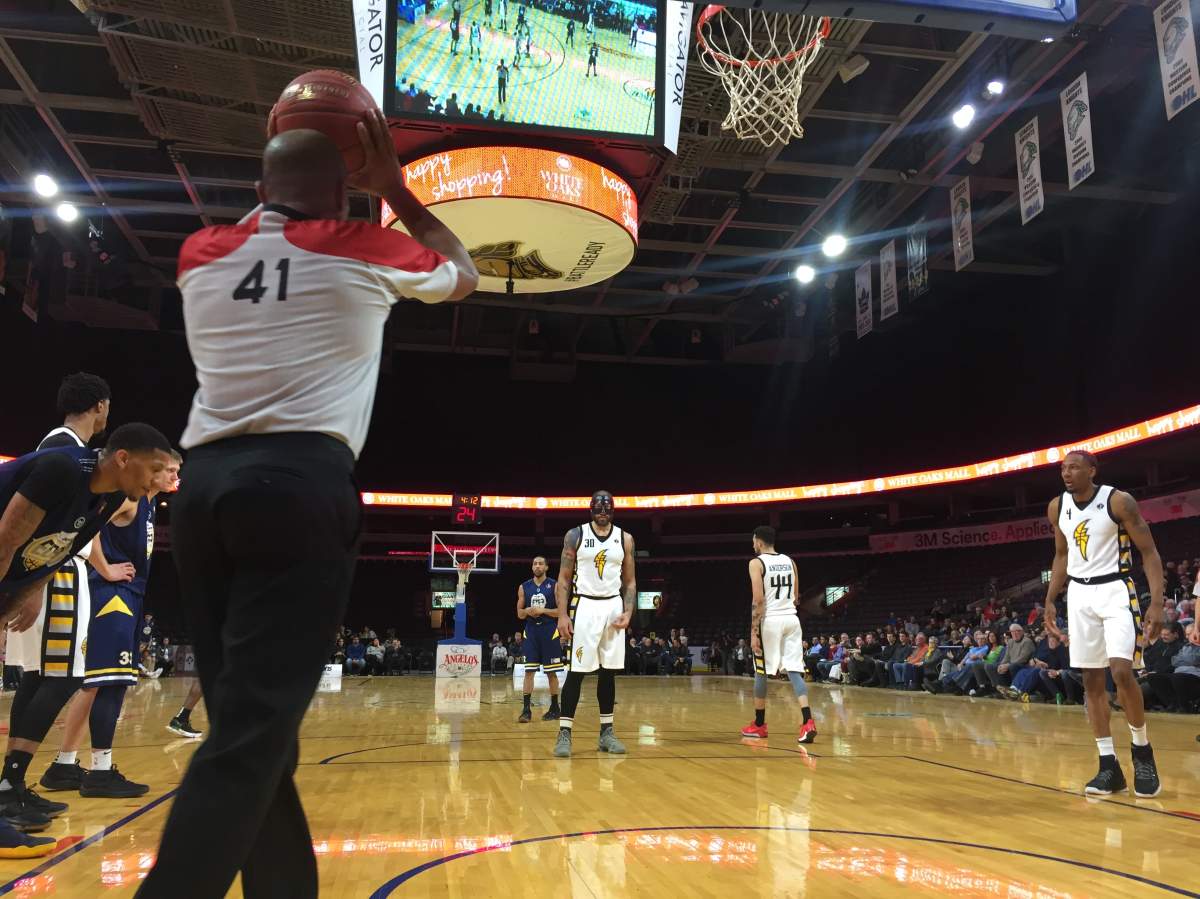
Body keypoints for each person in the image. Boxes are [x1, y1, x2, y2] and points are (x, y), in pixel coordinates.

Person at [132, 116, 477, 899]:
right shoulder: (367, 246)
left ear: (259, 190)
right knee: (253, 737)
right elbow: (464, 271)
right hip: (297, 486)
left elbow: (274, 239)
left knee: (253, 734)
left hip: (205, 488)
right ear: (343, 194)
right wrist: (394, 191)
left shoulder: (199, 254)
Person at [0, 422, 172, 857]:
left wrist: (24, 596)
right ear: (122, 459)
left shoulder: (111, 496)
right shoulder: (61, 469)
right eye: (153, 469)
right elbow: (5, 542)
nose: (157, 480)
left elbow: (50, 552)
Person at [38, 451, 181, 798]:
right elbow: (88, 525)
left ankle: (63, 765)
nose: (177, 477)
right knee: (109, 682)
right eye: (171, 470)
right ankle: (101, 771)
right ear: (153, 471)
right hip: (112, 594)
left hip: (127, 594)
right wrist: (104, 568)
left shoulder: (147, 505)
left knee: (95, 684)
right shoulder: (128, 499)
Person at [1043, 450, 1163, 798]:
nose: (1067, 473)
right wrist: (1051, 597)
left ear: (1092, 471)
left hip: (1116, 588)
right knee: (1091, 680)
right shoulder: (1056, 507)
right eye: (1063, 468)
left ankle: (1142, 752)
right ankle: (1108, 766)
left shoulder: (1118, 501)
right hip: (1079, 595)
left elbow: (1149, 552)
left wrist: (1157, 601)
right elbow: (1062, 555)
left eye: (1075, 467)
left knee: (1122, 671)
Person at [552, 491, 634, 758]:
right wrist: (563, 615)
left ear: (613, 509)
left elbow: (630, 582)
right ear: (590, 509)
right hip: (584, 605)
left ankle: (606, 732)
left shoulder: (625, 538)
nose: (603, 509)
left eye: (607, 505)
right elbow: (563, 580)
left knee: (608, 672)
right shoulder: (575, 535)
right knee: (576, 671)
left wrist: (629, 610)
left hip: (612, 606)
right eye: (598, 506)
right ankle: (564, 733)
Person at [741, 527, 816, 744]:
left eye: (753, 541)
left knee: (761, 672)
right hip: (792, 619)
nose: (753, 544)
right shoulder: (790, 561)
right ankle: (807, 721)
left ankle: (759, 724)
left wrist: (754, 632)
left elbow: (758, 600)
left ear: (759, 542)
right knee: (794, 671)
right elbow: (796, 597)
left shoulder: (756, 563)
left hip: (770, 621)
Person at [516, 556, 562, 723]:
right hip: (531, 632)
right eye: (535, 563)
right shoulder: (524, 587)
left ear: (547, 567)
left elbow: (559, 612)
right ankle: (526, 710)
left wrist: (543, 610)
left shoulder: (555, 585)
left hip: (549, 631)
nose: (537, 566)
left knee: (551, 672)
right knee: (529, 672)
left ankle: (555, 708)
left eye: (541, 563)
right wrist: (529, 610)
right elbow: (519, 614)